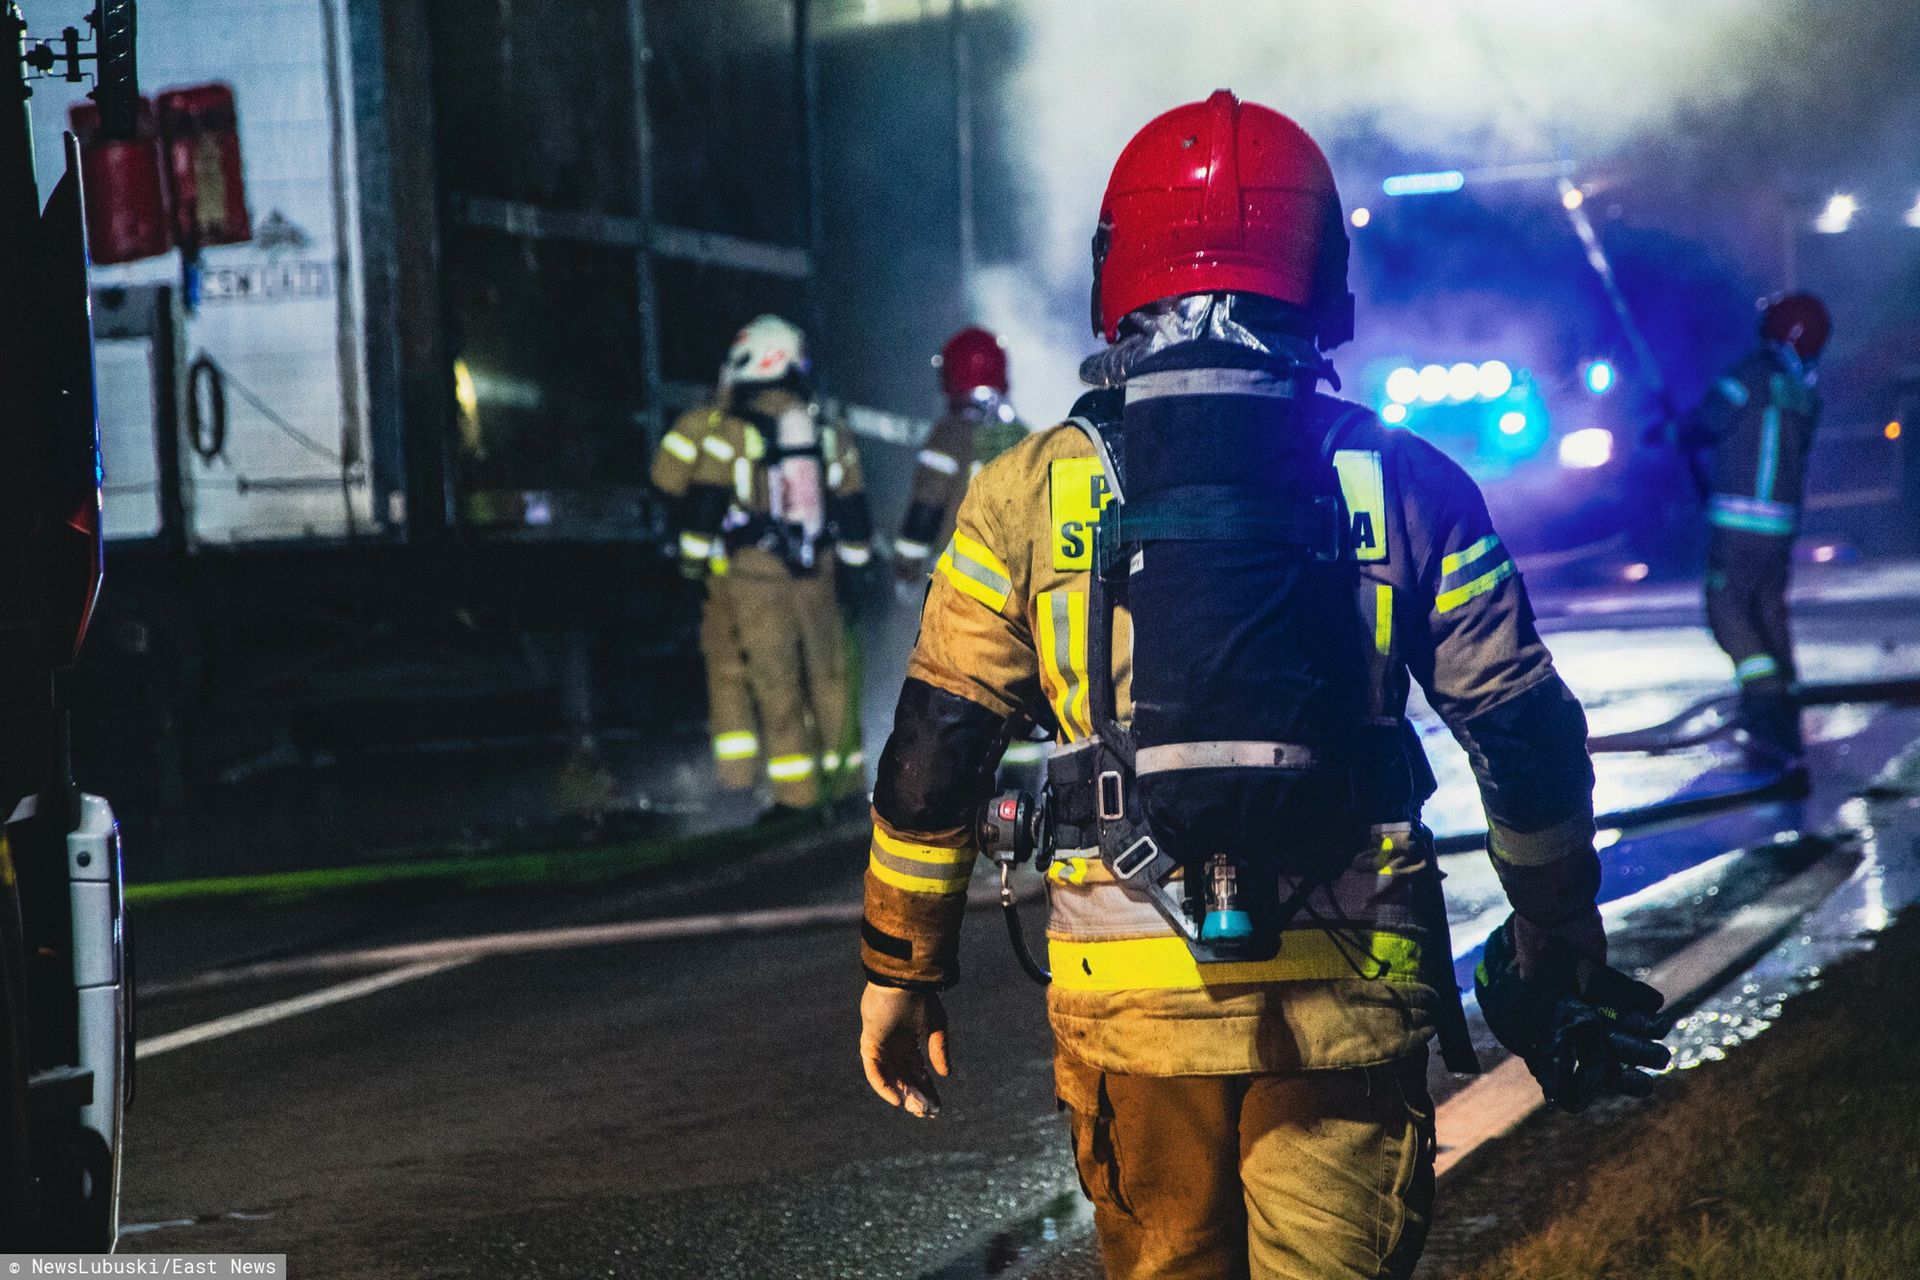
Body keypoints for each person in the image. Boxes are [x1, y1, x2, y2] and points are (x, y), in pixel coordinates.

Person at [855, 92, 1667, 1279]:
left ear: (1116, 266)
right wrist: (1556, 924)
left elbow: (936, 749)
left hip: (1128, 993)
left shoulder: (1026, 492)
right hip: (1352, 992)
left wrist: (902, 968)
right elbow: (1522, 729)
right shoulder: (1409, 480)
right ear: (1321, 270)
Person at [681, 315, 873, 816]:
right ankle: (849, 787)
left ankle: (797, 798)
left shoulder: (732, 434)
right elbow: (853, 512)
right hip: (819, 579)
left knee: (777, 683)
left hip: (756, 580)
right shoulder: (830, 432)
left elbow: (704, 504)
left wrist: (689, 566)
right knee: (831, 680)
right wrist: (854, 570)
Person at [1673, 292, 1830, 768]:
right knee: (1767, 611)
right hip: (1779, 527)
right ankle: (1785, 703)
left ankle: (1764, 702)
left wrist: (1669, 431)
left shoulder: (1750, 376)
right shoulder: (1804, 393)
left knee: (1727, 609)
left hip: (1739, 524)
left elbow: (1706, 421)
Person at [653, 400, 762, 793]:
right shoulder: (798, 422)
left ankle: (739, 783)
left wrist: (688, 567)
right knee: (782, 676)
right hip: (787, 576)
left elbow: (668, 484)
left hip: (726, 578)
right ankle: (803, 786)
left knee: (730, 676)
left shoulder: (706, 426)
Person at [892, 326, 1031, 584]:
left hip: (962, 587)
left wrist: (906, 568)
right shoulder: (1024, 437)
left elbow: (927, 503)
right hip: (1017, 587)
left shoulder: (949, 435)